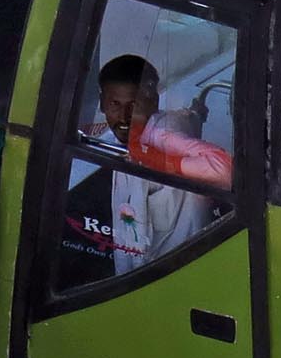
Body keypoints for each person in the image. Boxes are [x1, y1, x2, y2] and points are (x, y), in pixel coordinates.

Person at [97, 54, 233, 274]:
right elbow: (190, 118)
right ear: (101, 103)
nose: (123, 116)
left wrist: (159, 161)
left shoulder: (162, 134)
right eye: (115, 104)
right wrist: (197, 112)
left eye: (133, 105)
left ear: (153, 101)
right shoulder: (123, 138)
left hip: (170, 273)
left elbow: (225, 170)